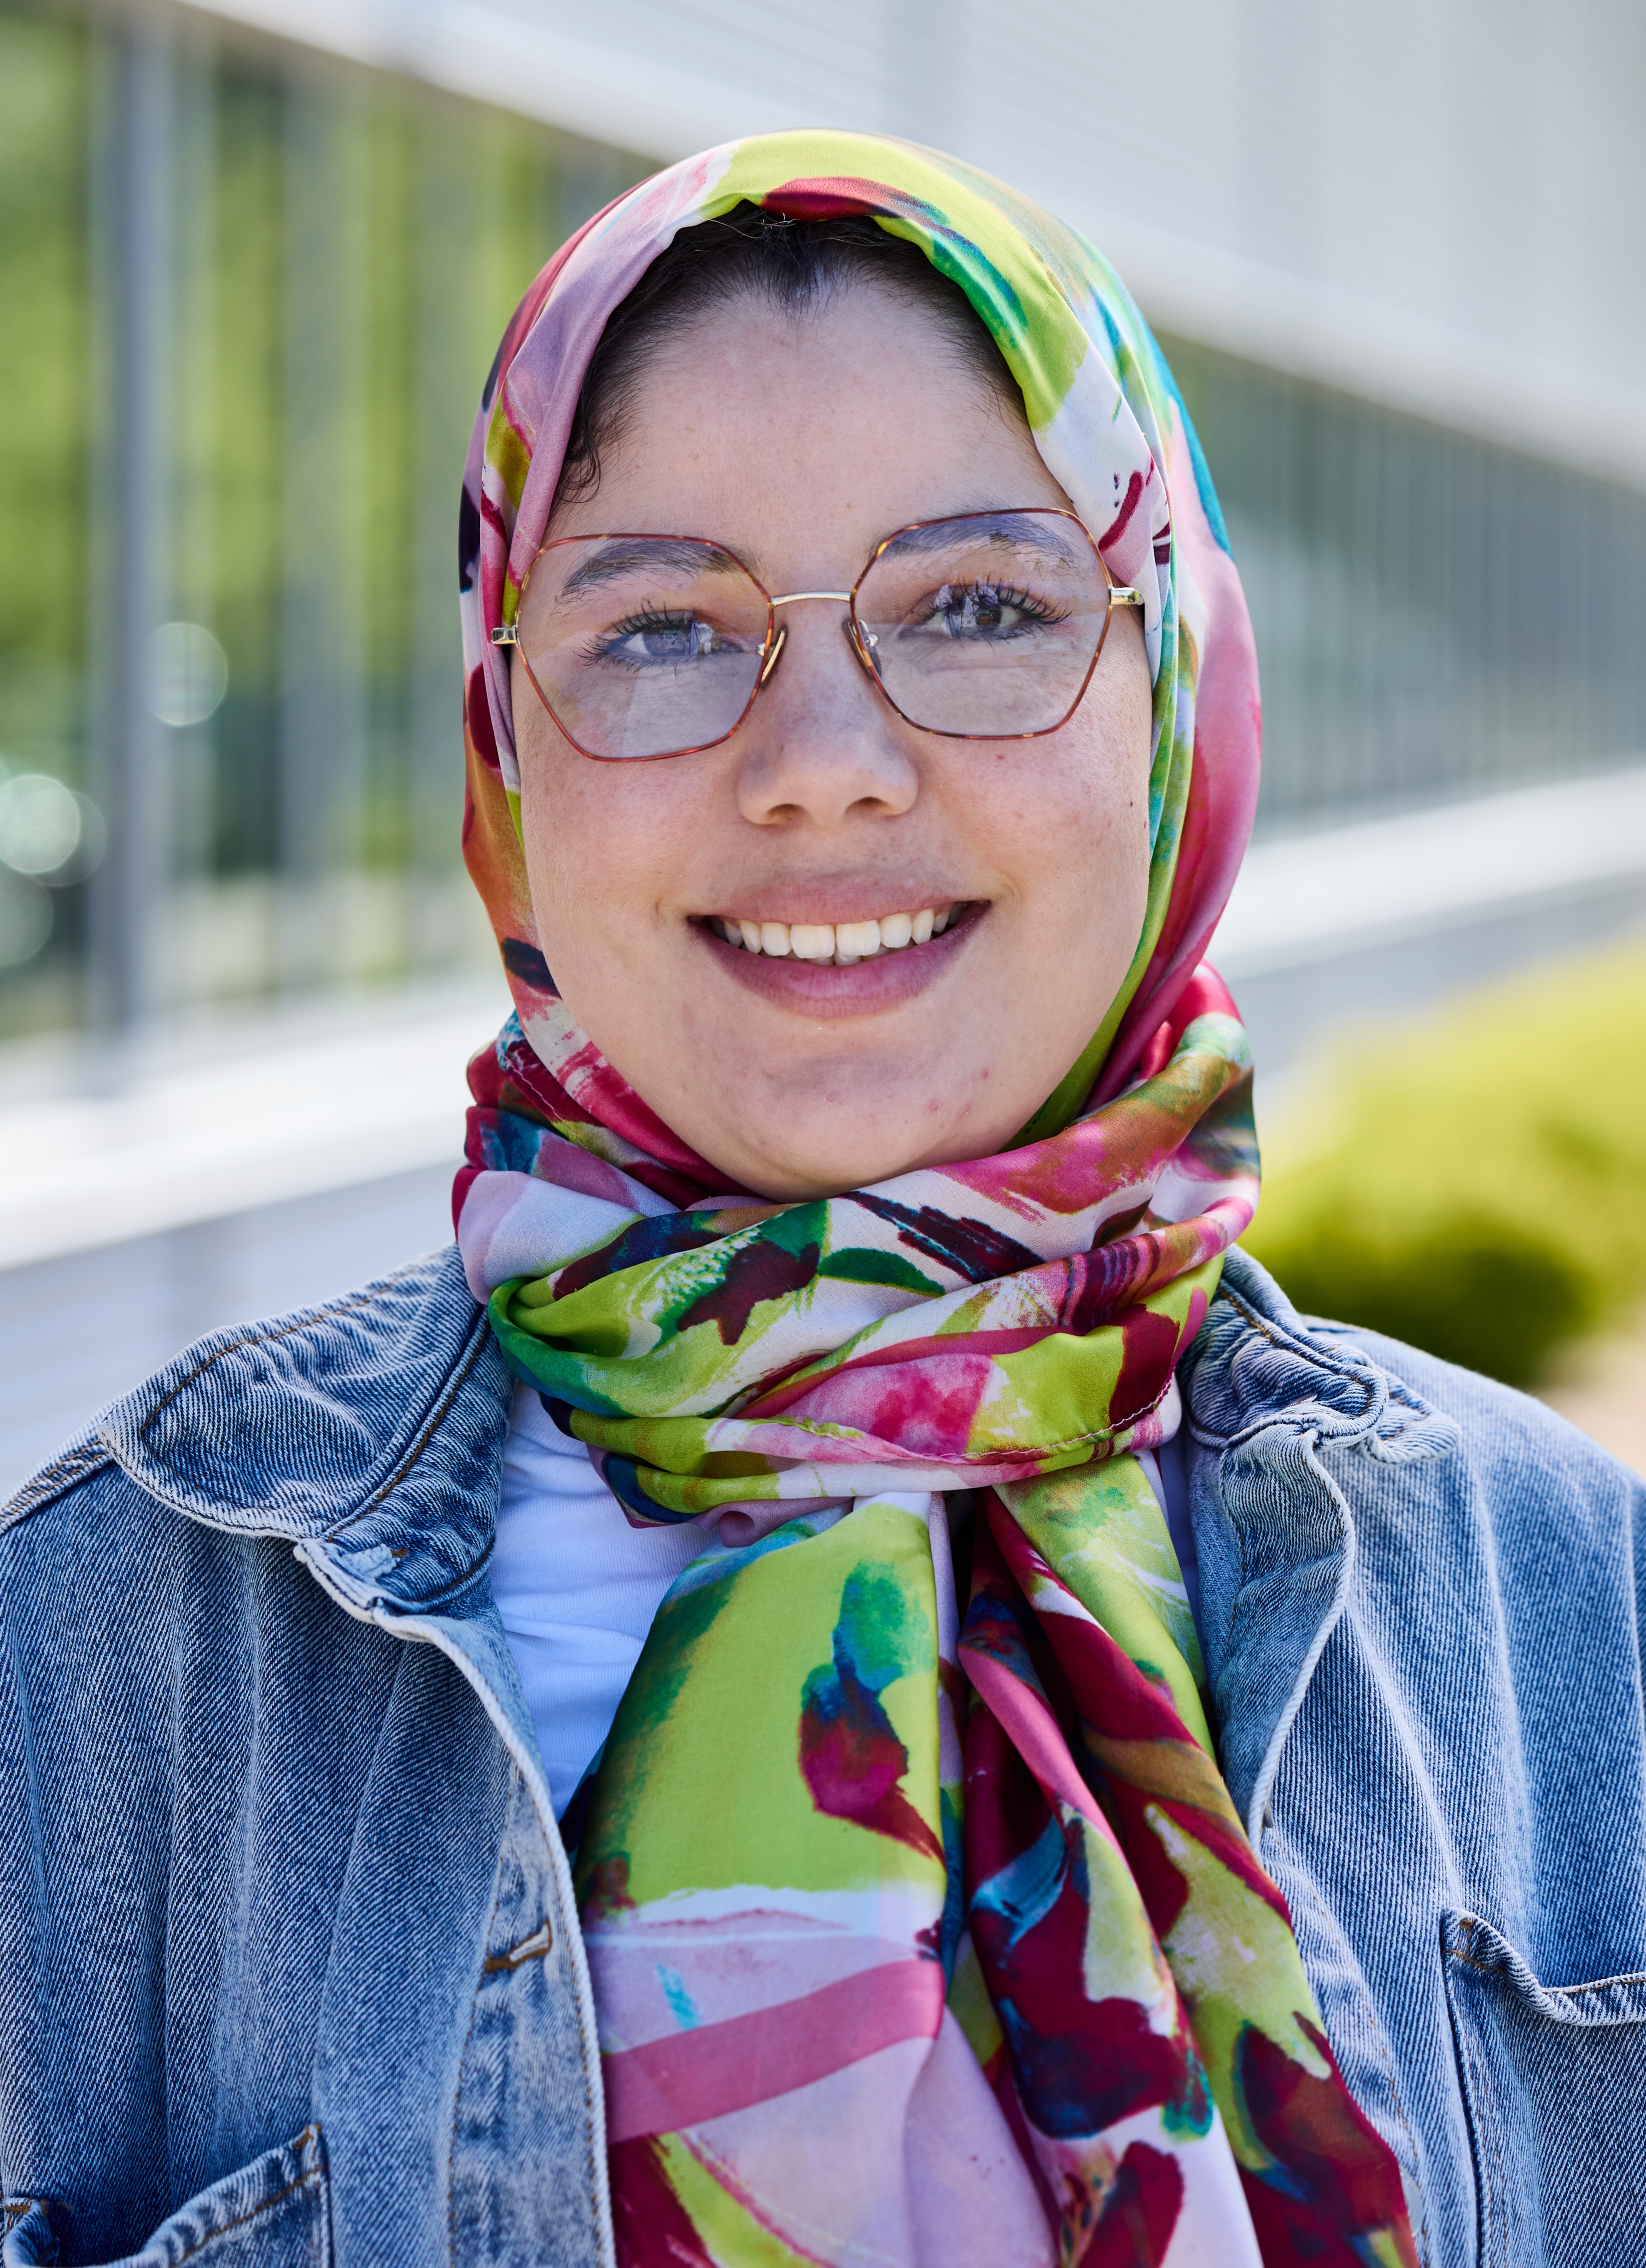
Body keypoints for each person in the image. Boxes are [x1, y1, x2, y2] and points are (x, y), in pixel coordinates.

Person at [2, 130, 1642, 2268]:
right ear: (503, 735)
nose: (822, 758)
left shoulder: (1579, 1623)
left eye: (978, 603)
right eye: (663, 625)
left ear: (1177, 693)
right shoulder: (103, 1666)